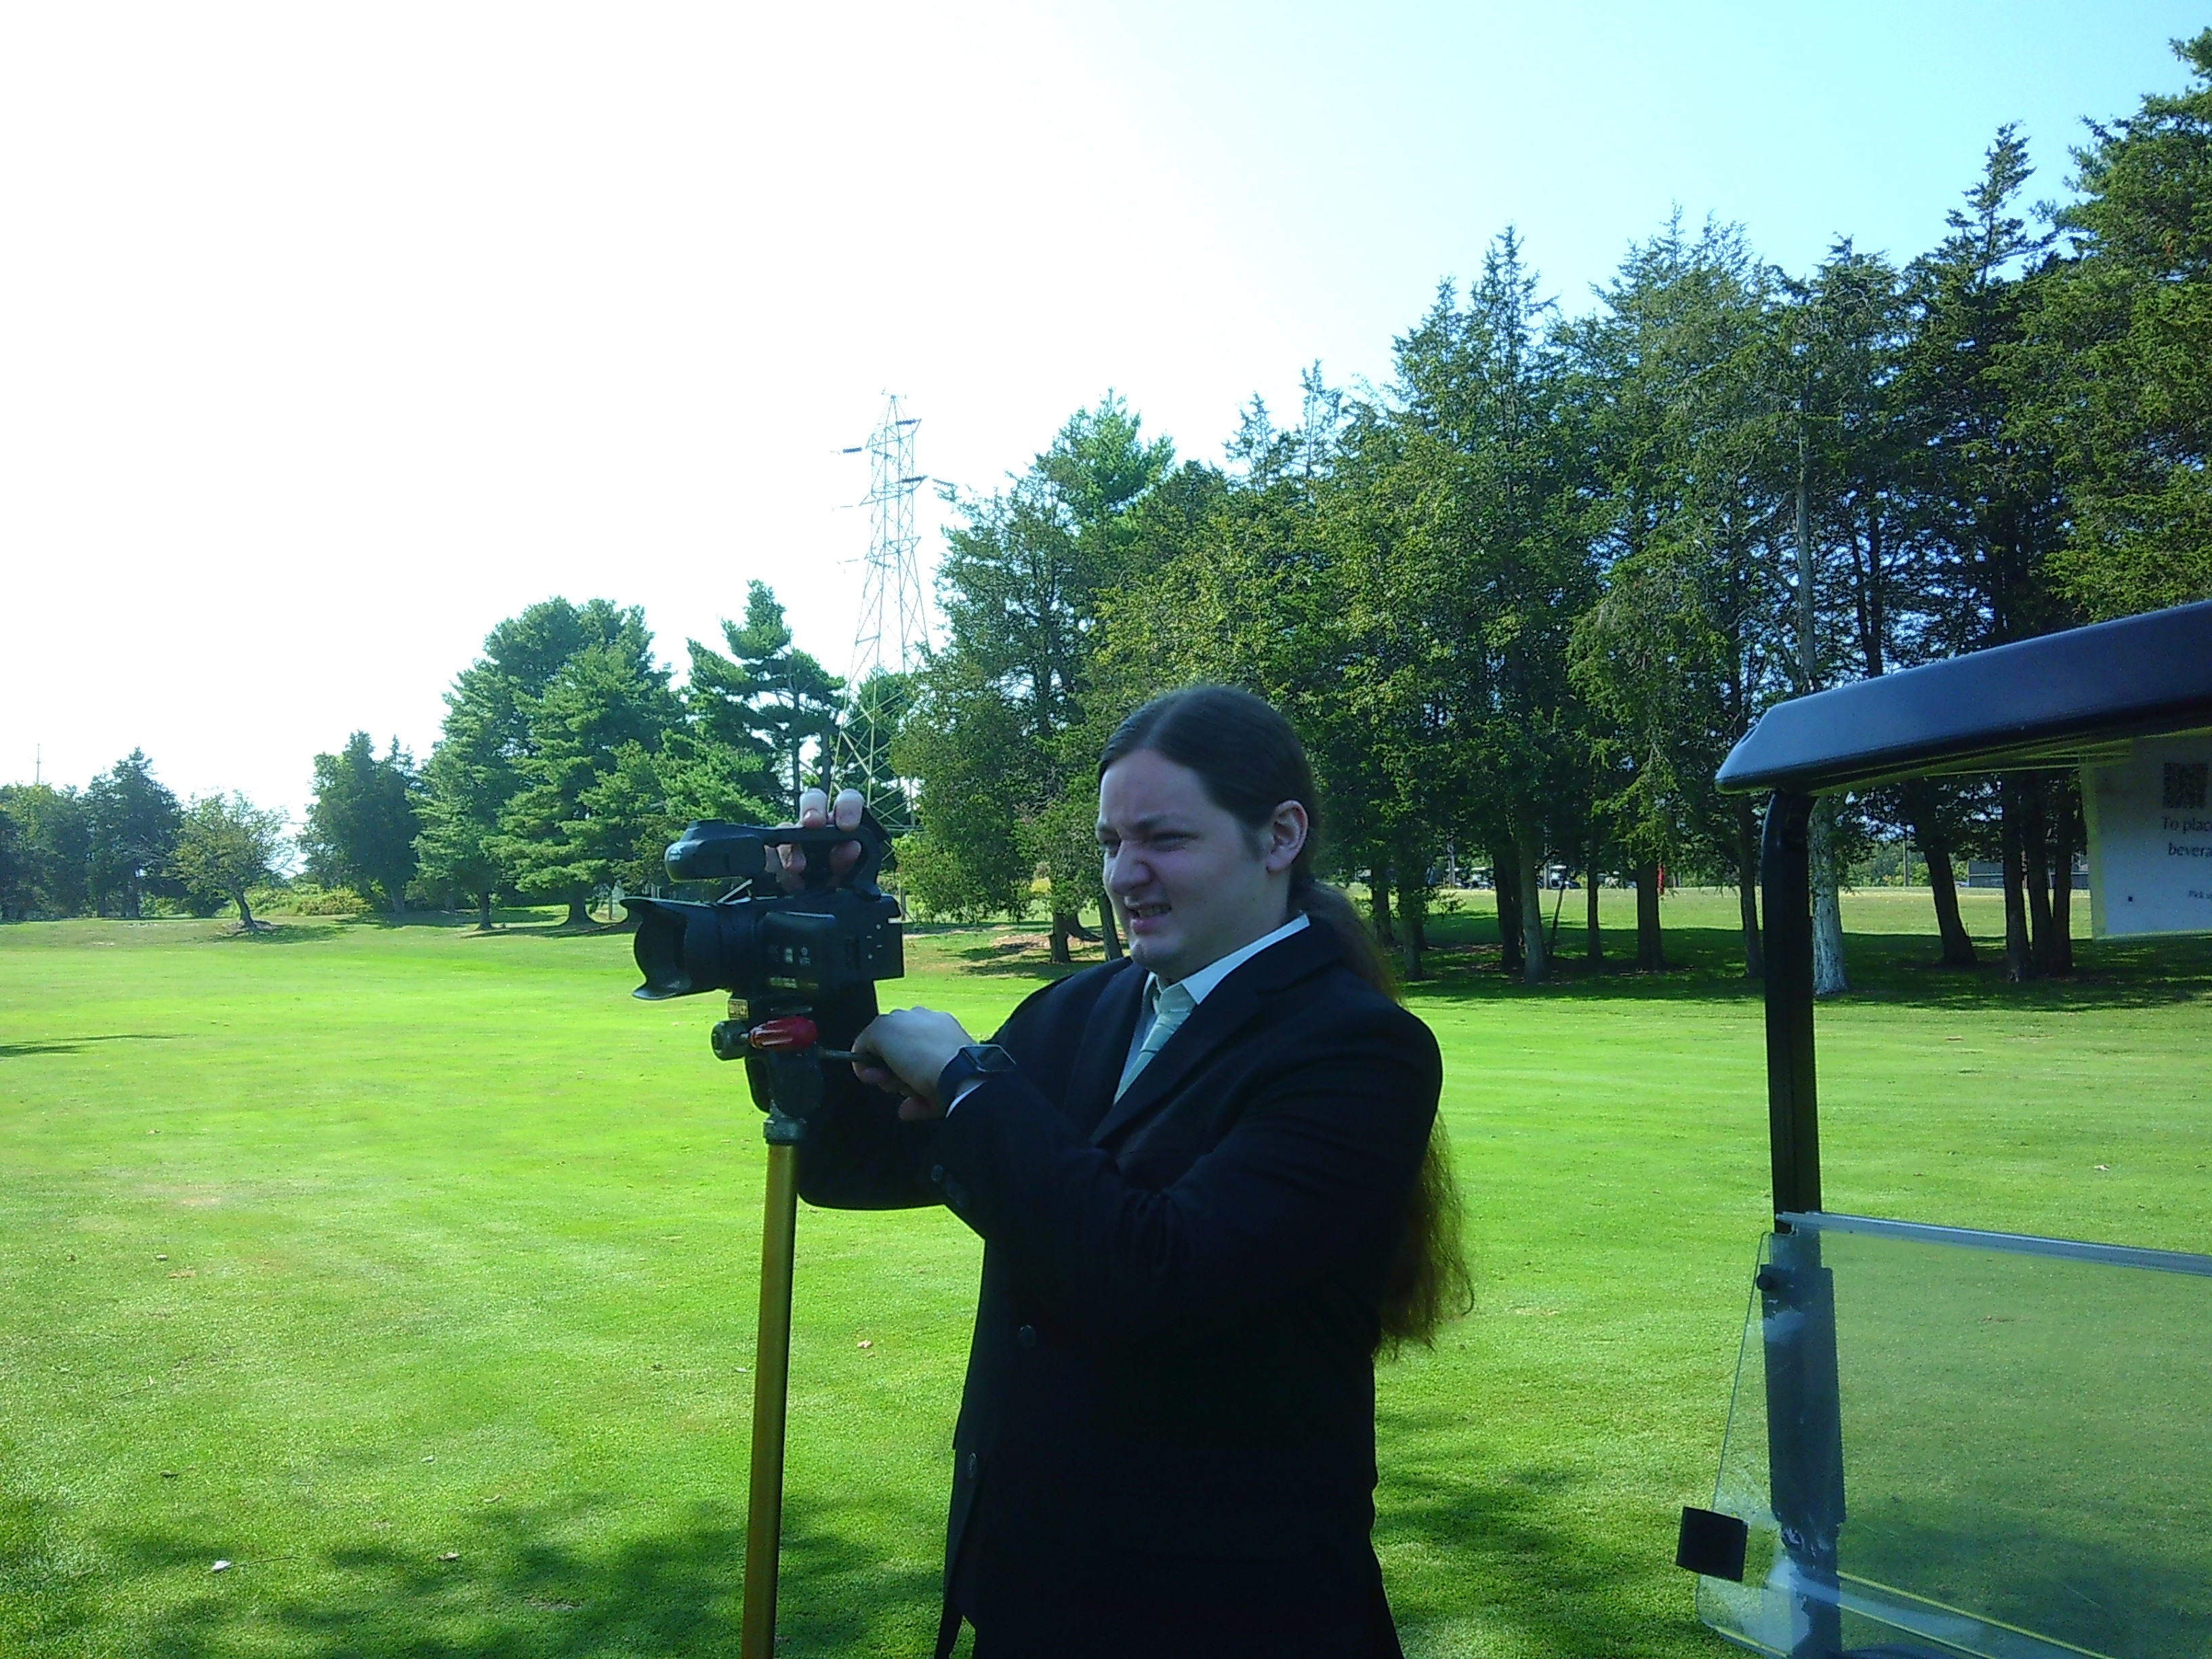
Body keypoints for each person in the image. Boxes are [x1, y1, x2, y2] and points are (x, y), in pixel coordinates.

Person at [786, 684, 1465, 1659]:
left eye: (1164, 840)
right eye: (1110, 845)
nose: (1126, 875)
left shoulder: (1359, 1053)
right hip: (1030, 1587)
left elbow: (1156, 1277)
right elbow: (855, 1164)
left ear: (1279, 836)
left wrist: (974, 1085)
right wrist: (821, 954)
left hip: (1228, 1613)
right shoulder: (1080, 1010)